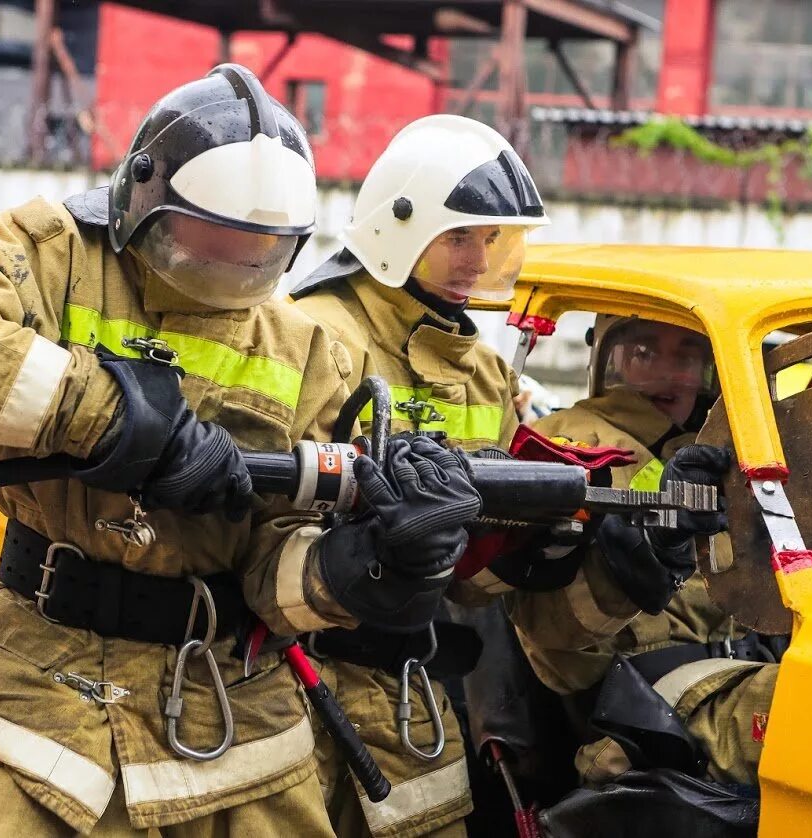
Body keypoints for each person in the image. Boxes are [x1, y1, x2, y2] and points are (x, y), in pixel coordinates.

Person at [0, 65, 480, 835]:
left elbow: (277, 575)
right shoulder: (55, 251)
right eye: (215, 232)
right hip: (45, 683)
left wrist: (368, 566)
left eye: (265, 244)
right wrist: (117, 419)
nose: (239, 256)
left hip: (233, 704)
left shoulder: (307, 351)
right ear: (146, 198)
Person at [290, 116, 726, 836]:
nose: (477, 258)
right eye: (460, 235)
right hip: (297, 683)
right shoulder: (313, 334)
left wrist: (611, 571)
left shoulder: (485, 375)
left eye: (492, 240)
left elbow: (479, 584)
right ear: (396, 226)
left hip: (419, 693)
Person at [512, 315, 774, 791]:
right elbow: (550, 640)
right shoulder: (566, 444)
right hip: (641, 704)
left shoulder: (732, 447)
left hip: (746, 668)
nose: (667, 373)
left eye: (686, 356)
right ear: (609, 357)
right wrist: (650, 548)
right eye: (644, 353)